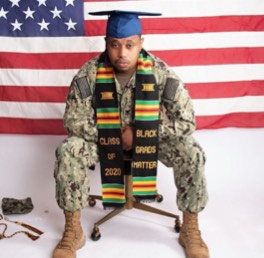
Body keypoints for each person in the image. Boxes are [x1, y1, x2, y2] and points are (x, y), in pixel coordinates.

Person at [52, 10, 209, 258]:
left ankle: (190, 227)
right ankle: (73, 230)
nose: (122, 53)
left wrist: (141, 136)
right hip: (103, 140)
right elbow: (73, 121)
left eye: (129, 45)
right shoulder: (89, 73)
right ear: (106, 43)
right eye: (115, 45)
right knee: (68, 150)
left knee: (192, 151)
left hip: (151, 141)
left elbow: (187, 121)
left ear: (140, 44)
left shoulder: (160, 73)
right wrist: (115, 134)